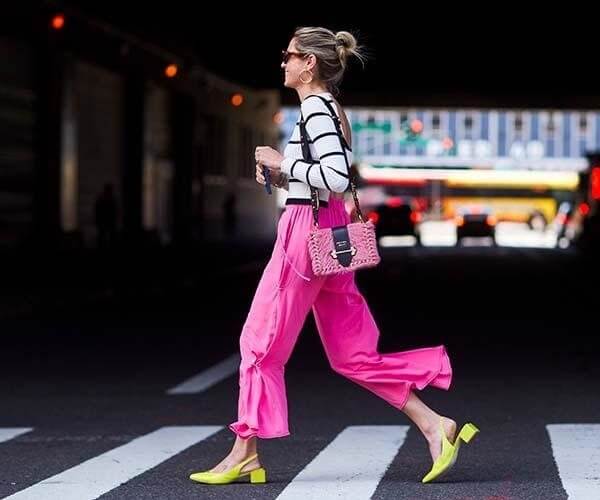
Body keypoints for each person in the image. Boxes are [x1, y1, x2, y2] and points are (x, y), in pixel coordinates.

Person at [189, 26, 479, 486]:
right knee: (352, 354)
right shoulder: (327, 110)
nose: (282, 62)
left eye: (289, 55)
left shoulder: (315, 111)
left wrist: (283, 163)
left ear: (310, 64)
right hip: (328, 233)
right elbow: (323, 180)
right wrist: (282, 176)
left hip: (306, 234)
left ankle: (244, 452)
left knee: (258, 343)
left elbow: (337, 177)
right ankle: (435, 425)